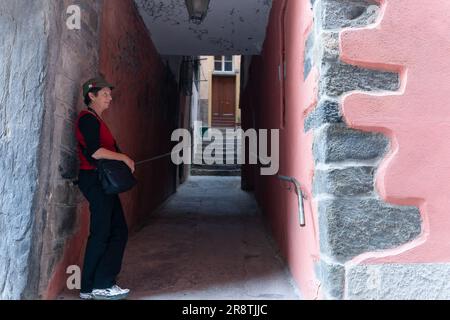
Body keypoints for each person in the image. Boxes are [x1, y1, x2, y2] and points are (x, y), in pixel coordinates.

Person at [75, 77, 135, 300]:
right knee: (110, 232)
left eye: (110, 93)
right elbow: (95, 151)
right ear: (92, 96)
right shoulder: (87, 119)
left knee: (107, 231)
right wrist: (124, 157)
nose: (110, 97)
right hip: (95, 179)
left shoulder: (95, 119)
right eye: (105, 94)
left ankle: (89, 287)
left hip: (99, 181)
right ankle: (102, 284)